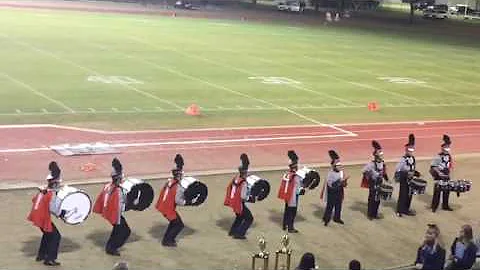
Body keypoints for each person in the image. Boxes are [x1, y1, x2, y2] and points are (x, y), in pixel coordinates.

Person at [27, 161, 65, 266]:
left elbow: (34, 200)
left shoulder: (44, 190)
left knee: (48, 235)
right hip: (43, 219)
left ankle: (42, 255)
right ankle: (50, 259)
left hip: (37, 217)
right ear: (55, 183)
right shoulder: (51, 194)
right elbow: (55, 210)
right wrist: (62, 213)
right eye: (58, 182)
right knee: (56, 236)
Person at [93, 158, 131, 256]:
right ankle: (112, 248)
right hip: (115, 215)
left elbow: (102, 199)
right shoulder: (118, 191)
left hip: (108, 213)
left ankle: (110, 247)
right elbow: (120, 206)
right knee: (126, 231)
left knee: (117, 230)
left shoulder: (108, 186)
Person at [156, 154, 191, 247]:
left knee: (174, 222)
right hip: (168, 208)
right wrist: (188, 202)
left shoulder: (170, 181)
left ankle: (167, 239)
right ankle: (168, 241)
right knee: (179, 225)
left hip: (163, 206)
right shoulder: (178, 186)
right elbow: (178, 201)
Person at [224, 153, 253, 240]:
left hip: (234, 202)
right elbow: (243, 196)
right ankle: (240, 234)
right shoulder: (243, 182)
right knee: (249, 218)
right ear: (245, 173)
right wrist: (250, 198)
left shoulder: (236, 178)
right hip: (239, 203)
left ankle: (232, 231)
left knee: (239, 217)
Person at [362, 140, 389, 220]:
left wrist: (387, 179)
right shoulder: (371, 164)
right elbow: (364, 171)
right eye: (380, 153)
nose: (382, 154)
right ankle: (370, 214)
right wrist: (369, 177)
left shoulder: (382, 163)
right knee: (372, 198)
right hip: (373, 182)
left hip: (379, 182)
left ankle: (375, 213)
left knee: (378, 198)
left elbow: (383, 172)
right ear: (376, 155)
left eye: (381, 153)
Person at [278, 150, 304, 233]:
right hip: (293, 196)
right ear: (294, 166)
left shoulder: (287, 174)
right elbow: (297, 188)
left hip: (287, 196)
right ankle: (290, 227)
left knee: (287, 210)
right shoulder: (296, 176)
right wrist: (302, 190)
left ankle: (284, 225)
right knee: (292, 212)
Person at [395, 134, 420, 217]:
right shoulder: (403, 159)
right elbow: (398, 169)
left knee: (409, 195)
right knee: (403, 195)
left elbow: (412, 167)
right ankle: (399, 211)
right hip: (404, 179)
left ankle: (406, 209)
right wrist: (406, 173)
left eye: (412, 150)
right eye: (409, 150)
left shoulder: (413, 158)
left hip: (411, 179)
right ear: (406, 150)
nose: (411, 151)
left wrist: (415, 173)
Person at [322, 150, 348, 226]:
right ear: (333, 166)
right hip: (332, 192)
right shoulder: (330, 174)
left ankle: (337, 218)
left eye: (340, 165)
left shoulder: (341, 172)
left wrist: (344, 182)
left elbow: (344, 184)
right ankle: (326, 219)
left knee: (338, 205)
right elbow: (331, 185)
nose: (340, 167)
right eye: (338, 165)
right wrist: (340, 181)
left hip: (339, 191)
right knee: (330, 206)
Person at [430, 135, 453, 212]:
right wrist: (439, 173)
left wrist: (449, 171)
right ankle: (434, 206)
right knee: (437, 192)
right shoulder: (438, 156)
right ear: (442, 147)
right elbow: (433, 166)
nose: (448, 148)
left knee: (447, 190)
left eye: (448, 146)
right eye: (446, 147)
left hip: (446, 174)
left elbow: (449, 164)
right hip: (439, 175)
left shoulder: (449, 156)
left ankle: (445, 205)